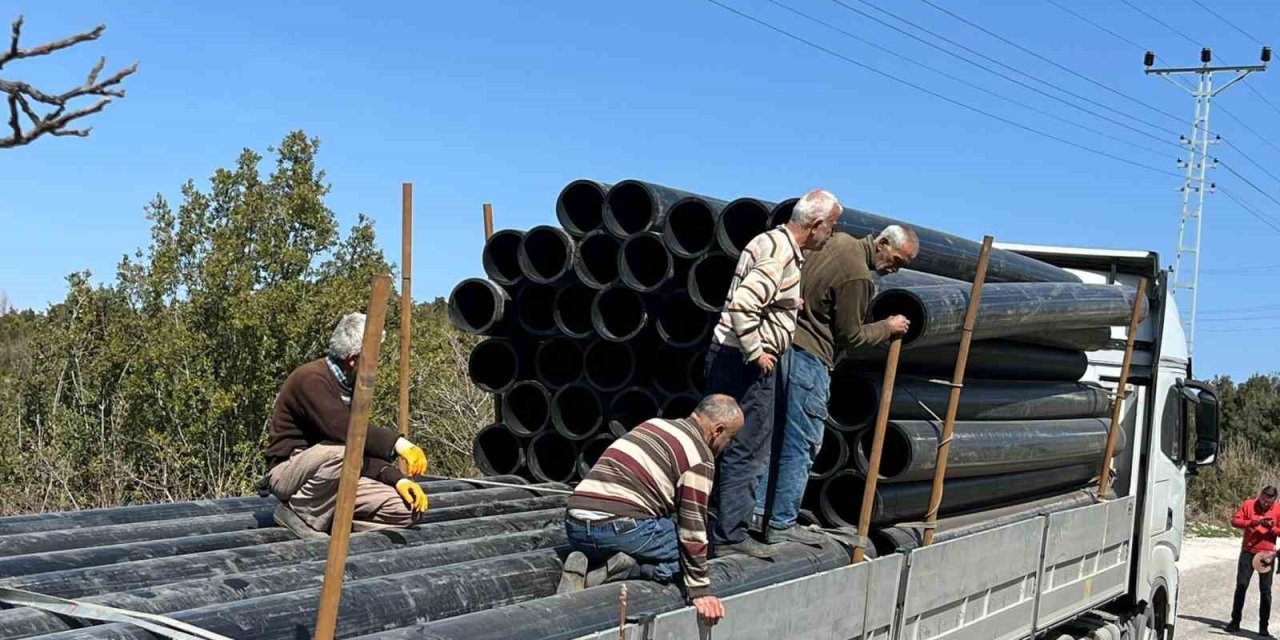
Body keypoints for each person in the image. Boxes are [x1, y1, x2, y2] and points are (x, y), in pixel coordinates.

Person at [753, 225, 920, 542]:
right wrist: (887, 327)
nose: (895, 269)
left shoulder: (835, 242)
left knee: (770, 436)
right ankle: (781, 523)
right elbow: (852, 336)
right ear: (883, 243)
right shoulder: (858, 276)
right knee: (801, 444)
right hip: (810, 361)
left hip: (781, 348)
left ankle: (756, 513)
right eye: (897, 260)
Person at [704, 188, 842, 558]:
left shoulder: (768, 242)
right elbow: (743, 304)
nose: (831, 234)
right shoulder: (782, 253)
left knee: (717, 442)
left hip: (725, 355)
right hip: (745, 363)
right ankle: (731, 537)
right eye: (831, 227)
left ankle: (708, 522)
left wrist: (788, 302)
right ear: (815, 225)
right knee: (748, 449)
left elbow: (757, 291)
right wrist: (757, 352)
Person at [558, 394, 745, 625]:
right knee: (694, 554)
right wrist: (699, 590)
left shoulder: (654, 425)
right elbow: (692, 528)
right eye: (730, 438)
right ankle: (631, 570)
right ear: (718, 430)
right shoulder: (699, 457)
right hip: (621, 530)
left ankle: (598, 563)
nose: (728, 446)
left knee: (667, 534)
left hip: (575, 526)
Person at [263, 312, 430, 538]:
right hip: (291, 472)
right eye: (374, 356)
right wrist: (399, 444)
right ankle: (299, 515)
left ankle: (329, 519)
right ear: (353, 359)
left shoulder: (351, 386)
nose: (378, 363)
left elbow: (358, 448)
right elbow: (344, 431)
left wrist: (397, 479)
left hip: (334, 475)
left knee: (407, 510)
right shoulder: (310, 378)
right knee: (343, 453)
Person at [1227, 485, 1280, 635]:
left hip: (1267, 555)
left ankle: (1263, 627)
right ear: (1260, 495)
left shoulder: (1278, 510)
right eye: (1263, 500)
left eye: (1269, 502)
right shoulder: (1249, 504)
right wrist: (1252, 522)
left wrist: (1272, 528)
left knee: (1265, 591)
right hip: (1248, 552)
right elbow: (1235, 521)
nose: (1265, 504)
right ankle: (1235, 622)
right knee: (1241, 587)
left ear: (1274, 501)